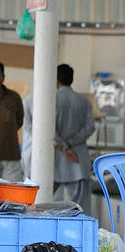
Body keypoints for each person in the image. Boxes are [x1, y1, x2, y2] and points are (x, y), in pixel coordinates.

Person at [22, 64, 96, 211]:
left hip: (51, 159)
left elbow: (42, 129)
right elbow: (90, 127)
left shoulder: (45, 100)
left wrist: (62, 145)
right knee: (81, 209)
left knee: (41, 205)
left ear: (55, 80)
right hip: (76, 160)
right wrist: (70, 143)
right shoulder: (84, 101)